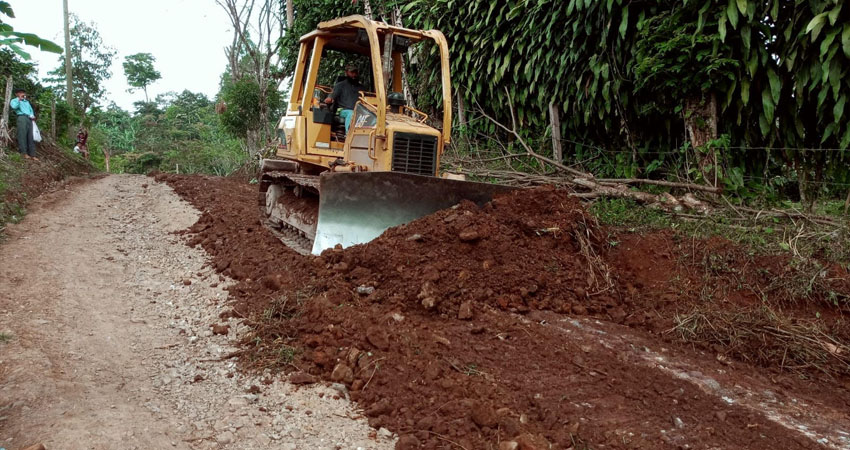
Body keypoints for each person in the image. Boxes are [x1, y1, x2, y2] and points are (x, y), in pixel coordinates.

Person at [323, 64, 366, 133]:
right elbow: (332, 95)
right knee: (351, 113)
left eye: (355, 72)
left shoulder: (362, 88)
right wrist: (329, 99)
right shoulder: (340, 86)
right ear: (346, 73)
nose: (354, 75)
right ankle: (349, 135)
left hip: (359, 111)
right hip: (344, 111)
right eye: (352, 72)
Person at [9, 88, 38, 161]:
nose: (22, 94)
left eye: (23, 92)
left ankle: (33, 155)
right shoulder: (14, 100)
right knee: (22, 135)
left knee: (31, 136)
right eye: (20, 92)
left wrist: (32, 116)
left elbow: (30, 110)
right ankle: (24, 153)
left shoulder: (26, 102)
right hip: (21, 117)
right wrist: (19, 99)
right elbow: (14, 107)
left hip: (29, 119)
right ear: (17, 94)